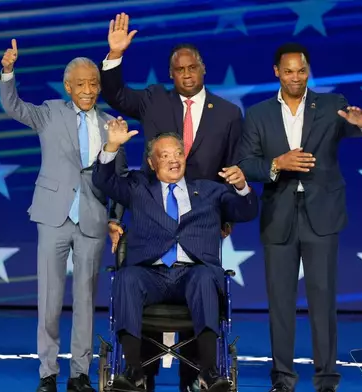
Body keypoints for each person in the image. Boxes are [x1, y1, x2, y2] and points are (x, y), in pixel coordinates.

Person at [99, 12, 244, 390]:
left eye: (192, 66)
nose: (186, 73)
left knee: (199, 286)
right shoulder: (153, 100)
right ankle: (136, 373)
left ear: (203, 68)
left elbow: (233, 167)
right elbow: (115, 94)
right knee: (133, 280)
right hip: (153, 218)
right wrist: (114, 57)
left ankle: (201, 376)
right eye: (178, 69)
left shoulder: (228, 114)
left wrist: (222, 213)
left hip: (202, 220)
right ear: (171, 74)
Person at [236, 43, 362, 392]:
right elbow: (247, 163)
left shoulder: (332, 104)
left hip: (322, 215)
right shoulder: (257, 114)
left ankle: (327, 379)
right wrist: (276, 164)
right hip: (278, 214)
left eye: (301, 70)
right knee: (280, 303)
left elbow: (354, 129)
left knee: (323, 299)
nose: (296, 77)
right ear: (276, 72)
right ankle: (283, 378)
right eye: (289, 71)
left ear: (308, 70)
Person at [0, 39, 128, 392]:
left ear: (99, 87)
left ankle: (80, 373)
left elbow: (119, 178)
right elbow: (13, 107)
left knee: (85, 298)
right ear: (68, 87)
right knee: (50, 298)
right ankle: (48, 372)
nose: (87, 90)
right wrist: (8, 72)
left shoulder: (109, 125)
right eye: (80, 84)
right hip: (53, 214)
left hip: (92, 217)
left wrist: (114, 217)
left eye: (93, 84)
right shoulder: (49, 112)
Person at [92, 119, 258, 392]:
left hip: (193, 274)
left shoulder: (210, 190)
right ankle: (134, 371)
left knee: (205, 277)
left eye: (177, 154)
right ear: (151, 162)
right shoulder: (137, 187)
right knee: (127, 277)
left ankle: (209, 372)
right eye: (164, 155)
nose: (173, 160)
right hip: (150, 275)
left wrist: (241, 187)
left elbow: (247, 211)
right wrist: (111, 146)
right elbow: (103, 179)